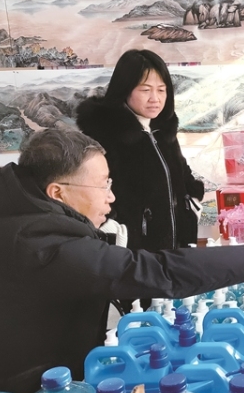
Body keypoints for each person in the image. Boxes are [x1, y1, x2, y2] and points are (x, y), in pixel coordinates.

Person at [0, 128, 244, 393]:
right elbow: (153, 271)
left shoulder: (1, 209)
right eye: (102, 185)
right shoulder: (37, 243)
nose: (111, 197)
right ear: (58, 192)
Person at [76, 49, 201, 313]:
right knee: (138, 320)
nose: (155, 98)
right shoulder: (104, 136)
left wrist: (192, 202)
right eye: (145, 90)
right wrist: (113, 228)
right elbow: (92, 190)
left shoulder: (162, 130)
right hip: (132, 253)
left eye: (162, 90)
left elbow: (182, 174)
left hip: (173, 249)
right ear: (125, 89)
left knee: (173, 317)